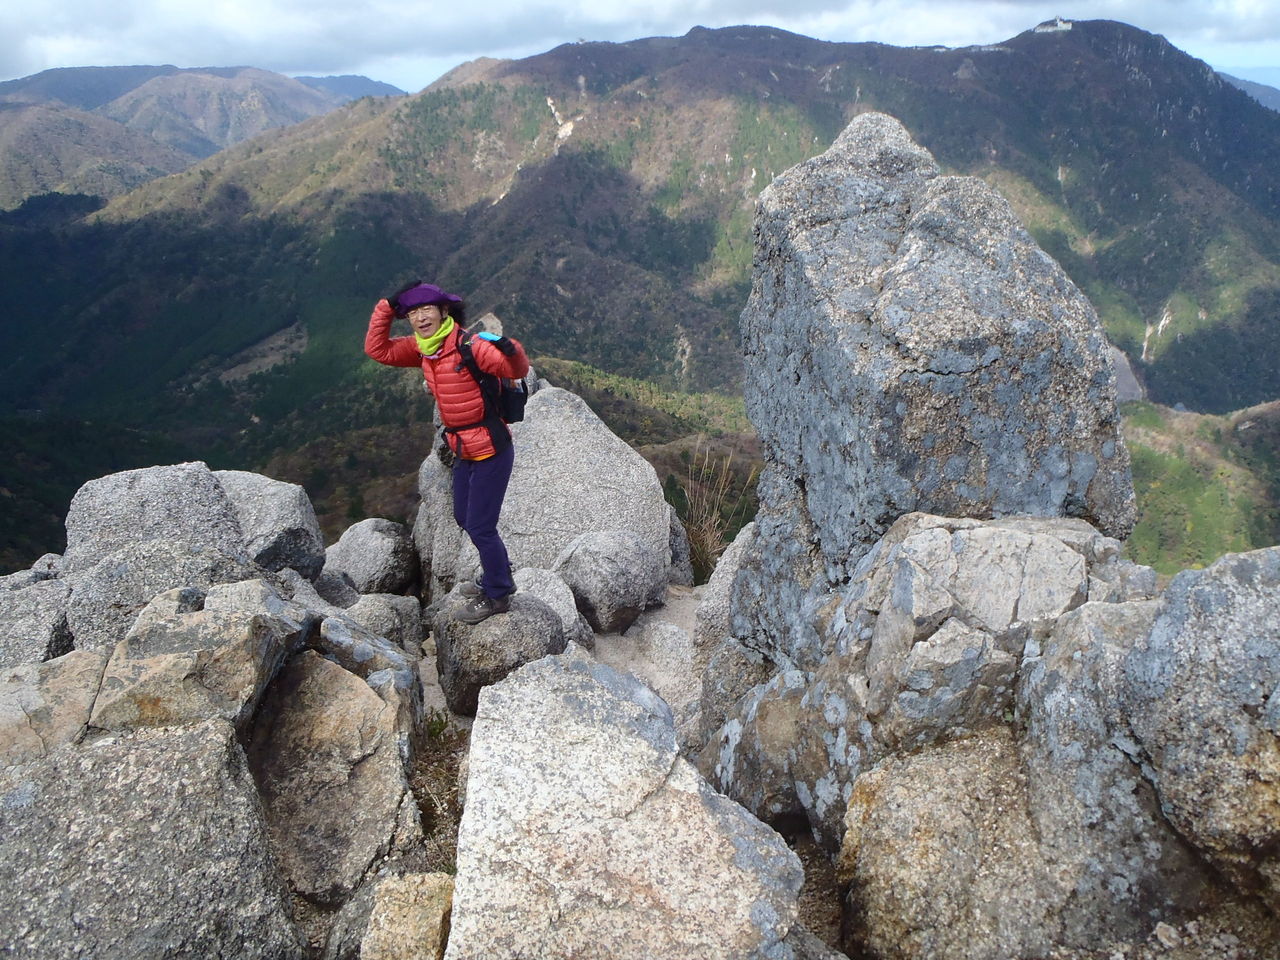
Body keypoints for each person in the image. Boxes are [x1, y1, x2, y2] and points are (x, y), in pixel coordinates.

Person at [364, 281, 530, 623]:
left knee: (482, 526)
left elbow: (515, 371)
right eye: (411, 312)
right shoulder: (423, 350)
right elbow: (378, 350)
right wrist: (386, 307)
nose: (420, 317)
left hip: (492, 449)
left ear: (444, 311)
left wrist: (511, 349)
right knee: (464, 518)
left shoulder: (470, 346)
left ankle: (499, 593)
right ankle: (497, 571)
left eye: (426, 309)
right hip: (465, 450)